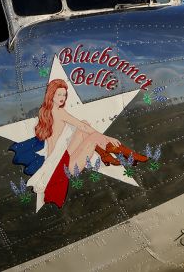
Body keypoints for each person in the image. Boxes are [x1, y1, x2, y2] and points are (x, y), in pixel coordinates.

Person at [10, 79, 147, 211]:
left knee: (85, 124)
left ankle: (107, 154)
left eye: (64, 94)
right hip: (60, 168)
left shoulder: (45, 112)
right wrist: (107, 137)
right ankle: (126, 153)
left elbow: (80, 127)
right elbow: (81, 126)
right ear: (51, 95)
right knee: (90, 133)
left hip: (56, 159)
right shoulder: (58, 111)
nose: (63, 97)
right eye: (59, 94)